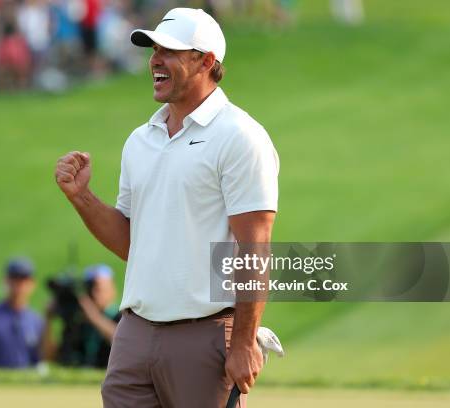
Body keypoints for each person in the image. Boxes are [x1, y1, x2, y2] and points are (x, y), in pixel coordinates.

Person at [54, 7, 279, 407]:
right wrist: (82, 198)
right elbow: (134, 245)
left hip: (205, 336)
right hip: (134, 337)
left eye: (170, 51)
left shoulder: (241, 137)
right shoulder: (140, 140)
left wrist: (244, 342)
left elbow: (254, 249)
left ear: (207, 61)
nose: (155, 60)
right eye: (153, 50)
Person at [43, 264, 121, 368]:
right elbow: (50, 357)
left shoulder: (122, 317)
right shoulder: (78, 322)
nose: (93, 293)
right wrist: (48, 320)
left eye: (98, 288)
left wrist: (94, 317)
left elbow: (121, 341)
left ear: (113, 290)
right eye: (89, 288)